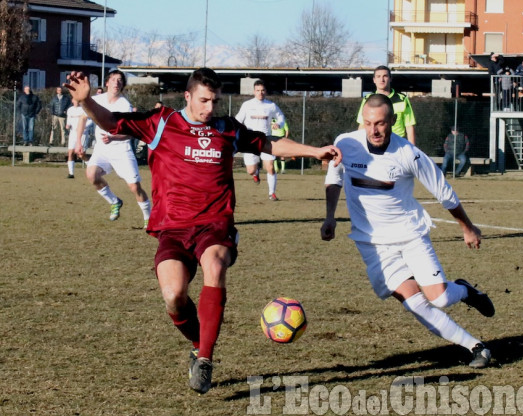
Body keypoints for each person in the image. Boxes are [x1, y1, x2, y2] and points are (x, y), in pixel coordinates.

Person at [64, 67, 341, 394]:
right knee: (174, 297)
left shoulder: (226, 128)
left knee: (214, 266)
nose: (210, 108)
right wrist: (86, 103)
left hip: (214, 225)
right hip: (172, 228)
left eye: (215, 101)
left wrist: (314, 151)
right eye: (204, 101)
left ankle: (206, 360)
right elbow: (112, 121)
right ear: (188, 96)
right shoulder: (162, 123)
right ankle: (199, 342)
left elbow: (268, 144)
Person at [321, 94, 494, 369]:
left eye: (379, 123)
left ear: (392, 121)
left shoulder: (408, 154)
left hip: (410, 235)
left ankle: (464, 290)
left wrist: (467, 227)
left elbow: (443, 192)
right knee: (415, 303)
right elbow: (334, 176)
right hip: (372, 244)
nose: (373, 130)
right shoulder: (346, 143)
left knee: (440, 298)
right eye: (368, 123)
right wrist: (330, 217)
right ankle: (476, 347)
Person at [74, 70, 151, 228]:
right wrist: (78, 142)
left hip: (121, 150)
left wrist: (114, 137)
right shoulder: (96, 100)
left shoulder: (125, 105)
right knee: (91, 175)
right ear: (107, 83)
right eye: (114, 79)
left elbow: (131, 133)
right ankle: (115, 202)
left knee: (135, 187)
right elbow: (82, 118)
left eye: (120, 80)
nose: (117, 82)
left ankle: (149, 218)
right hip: (102, 149)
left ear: (122, 85)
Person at [235, 79, 286, 201]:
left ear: (265, 91)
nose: (260, 93)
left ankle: (271, 193)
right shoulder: (247, 105)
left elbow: (281, 118)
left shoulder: (271, 106)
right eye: (258, 90)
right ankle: (255, 173)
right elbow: (238, 120)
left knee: (270, 167)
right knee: (250, 170)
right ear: (254, 91)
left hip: (266, 140)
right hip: (250, 140)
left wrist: (278, 124)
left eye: (262, 90)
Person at [356, 65, 417, 145]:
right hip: (375, 143)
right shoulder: (367, 99)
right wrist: (360, 146)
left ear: (390, 79)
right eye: (378, 76)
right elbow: (362, 125)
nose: (382, 79)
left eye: (385, 76)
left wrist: (412, 150)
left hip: (397, 144)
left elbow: (409, 126)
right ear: (374, 80)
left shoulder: (402, 99)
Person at [65, 98, 93, 178]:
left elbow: (91, 121)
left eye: (77, 100)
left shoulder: (84, 109)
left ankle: (91, 167)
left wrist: (83, 127)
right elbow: (69, 119)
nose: (76, 102)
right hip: (73, 133)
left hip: (83, 133)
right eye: (74, 100)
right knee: (70, 152)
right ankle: (71, 173)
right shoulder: (70, 110)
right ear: (72, 101)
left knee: (80, 154)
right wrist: (68, 124)